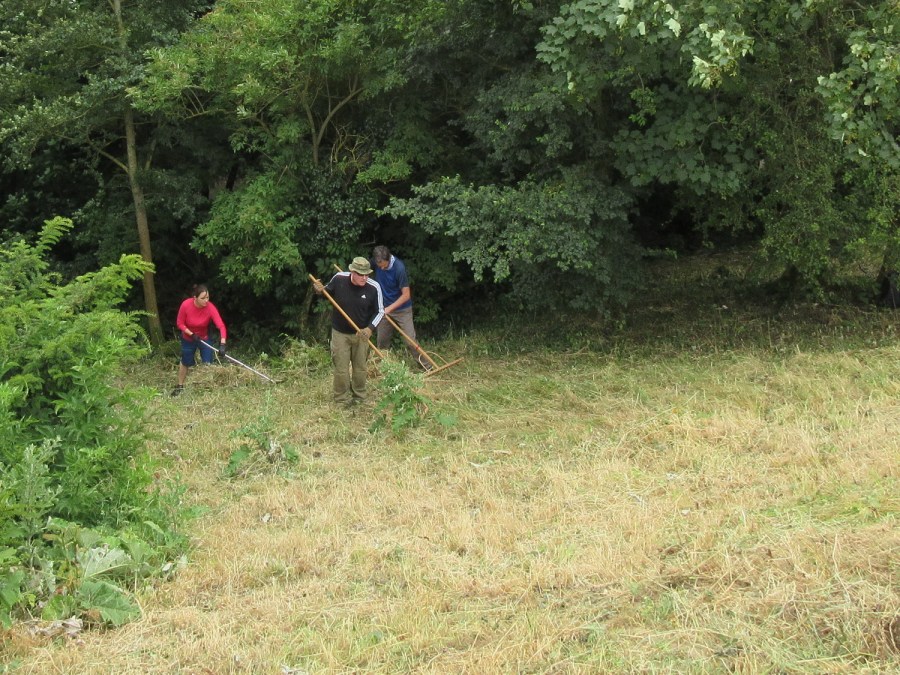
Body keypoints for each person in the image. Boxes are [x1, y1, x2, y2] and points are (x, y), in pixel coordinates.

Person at [313, 257, 385, 405]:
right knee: (341, 368)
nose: (364, 278)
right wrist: (319, 290)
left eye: (367, 274)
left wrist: (370, 328)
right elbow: (326, 292)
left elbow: (380, 311)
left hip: (361, 334)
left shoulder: (374, 287)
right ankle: (341, 399)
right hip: (340, 333)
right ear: (352, 272)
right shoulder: (339, 279)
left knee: (360, 368)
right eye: (361, 275)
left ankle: (360, 396)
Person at [370, 245, 429, 369]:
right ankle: (382, 368)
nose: (381, 268)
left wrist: (389, 309)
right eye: (379, 266)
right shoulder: (376, 262)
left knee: (410, 341)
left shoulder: (399, 268)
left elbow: (406, 295)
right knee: (382, 341)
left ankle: (426, 366)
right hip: (384, 308)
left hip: (402, 310)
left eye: (384, 265)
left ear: (388, 258)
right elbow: (363, 271)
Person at [172, 284, 227, 396]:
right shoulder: (186, 305)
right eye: (203, 298)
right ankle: (180, 386)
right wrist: (191, 334)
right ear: (195, 298)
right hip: (188, 338)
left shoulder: (210, 307)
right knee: (186, 361)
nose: (206, 300)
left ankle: (207, 389)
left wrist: (222, 344)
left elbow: (221, 326)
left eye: (207, 297)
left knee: (208, 363)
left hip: (204, 338)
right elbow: (180, 323)